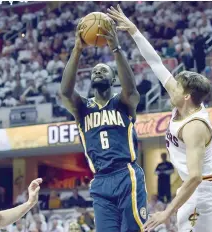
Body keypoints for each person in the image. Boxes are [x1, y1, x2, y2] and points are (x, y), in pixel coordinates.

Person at [108, 5, 212, 232]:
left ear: (186, 96)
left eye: (176, 87)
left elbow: (195, 176)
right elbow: (156, 63)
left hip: (204, 189)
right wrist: (134, 31)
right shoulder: (183, 100)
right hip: (191, 188)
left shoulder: (195, 127)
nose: (169, 87)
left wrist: (166, 212)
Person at [60, 18, 146, 231]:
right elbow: (65, 92)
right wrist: (77, 50)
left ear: (114, 78)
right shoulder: (82, 108)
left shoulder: (122, 102)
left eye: (103, 70)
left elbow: (132, 91)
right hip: (100, 180)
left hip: (126, 174)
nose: (98, 72)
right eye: (94, 71)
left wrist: (115, 48)